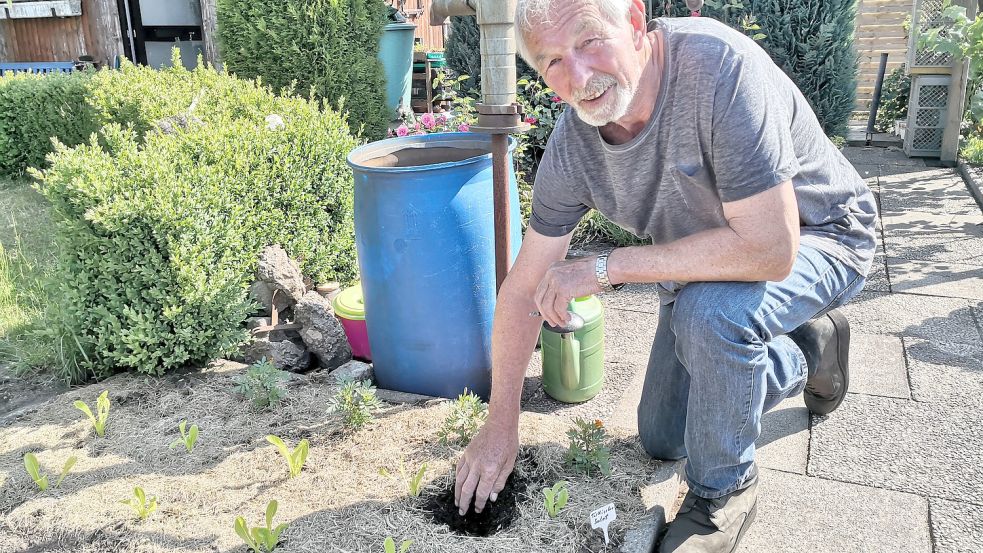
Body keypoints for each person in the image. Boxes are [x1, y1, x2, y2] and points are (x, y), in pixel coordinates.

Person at [453, 0, 877, 550]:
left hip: (821, 236)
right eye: (552, 62)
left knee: (713, 315)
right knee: (663, 437)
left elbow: (771, 249)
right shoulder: (574, 148)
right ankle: (810, 349)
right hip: (705, 263)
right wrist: (501, 421)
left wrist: (607, 268)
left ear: (633, 22)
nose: (579, 78)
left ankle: (723, 495)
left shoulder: (719, 69)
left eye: (588, 41)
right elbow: (522, 288)